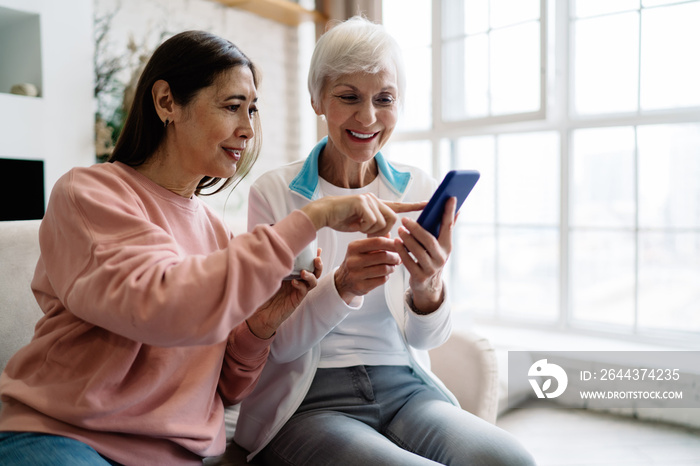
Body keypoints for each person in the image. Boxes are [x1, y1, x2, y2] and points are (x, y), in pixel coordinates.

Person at [0, 30, 423, 466]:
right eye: (232, 106)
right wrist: (313, 217)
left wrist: (263, 323)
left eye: (252, 110)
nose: (248, 128)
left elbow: (224, 388)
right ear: (166, 102)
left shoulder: (217, 235)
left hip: (174, 455)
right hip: (64, 436)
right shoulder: (89, 194)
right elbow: (161, 305)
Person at [233, 17, 535, 465]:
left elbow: (427, 338)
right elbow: (278, 344)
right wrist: (342, 288)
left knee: (511, 460)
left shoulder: (418, 191)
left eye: (384, 99)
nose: (368, 117)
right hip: (308, 403)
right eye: (348, 97)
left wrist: (427, 288)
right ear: (317, 99)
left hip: (405, 388)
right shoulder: (275, 194)